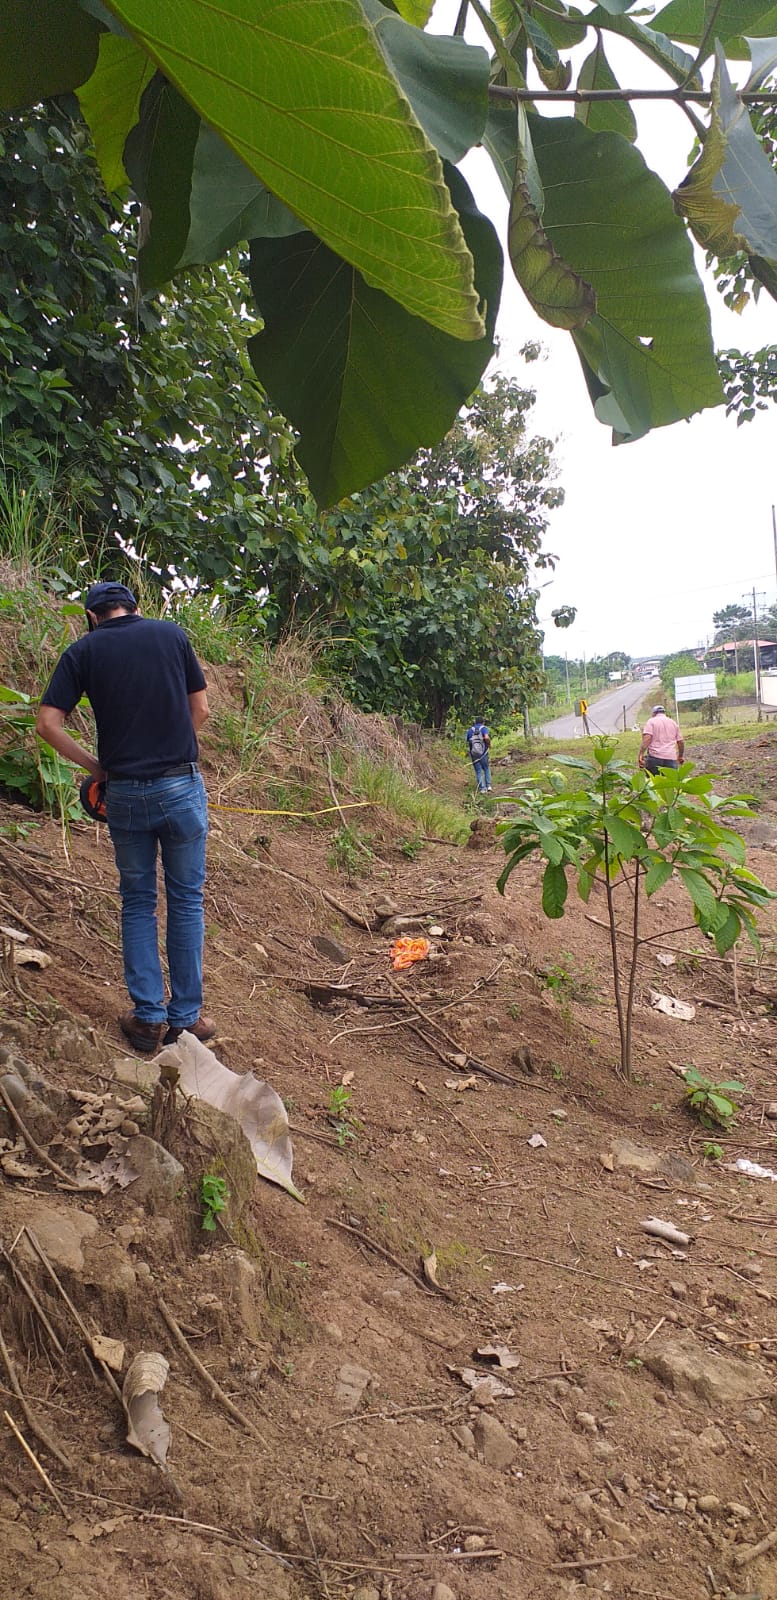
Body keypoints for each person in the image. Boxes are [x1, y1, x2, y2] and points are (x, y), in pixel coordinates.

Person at [36, 580, 215, 1055]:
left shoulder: (83, 650)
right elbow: (200, 708)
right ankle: (186, 1019)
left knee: (138, 901)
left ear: (92, 616)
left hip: (125, 793)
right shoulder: (171, 635)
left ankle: (148, 1018)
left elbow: (47, 724)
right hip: (180, 786)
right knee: (186, 900)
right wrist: (174, 749)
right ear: (134, 608)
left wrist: (97, 769)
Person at [638, 703, 684, 775]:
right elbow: (680, 742)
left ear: (654, 713)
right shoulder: (673, 723)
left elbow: (647, 739)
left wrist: (641, 754)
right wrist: (680, 756)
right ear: (664, 713)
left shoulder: (651, 722)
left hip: (655, 757)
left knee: (653, 780)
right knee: (671, 781)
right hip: (671, 758)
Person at [466, 717, 492, 793]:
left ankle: (482, 788)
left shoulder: (470, 730)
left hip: (474, 753)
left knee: (478, 771)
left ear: (475, 722)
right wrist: (489, 744)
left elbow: (468, 741)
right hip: (483, 753)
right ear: (483, 722)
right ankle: (488, 786)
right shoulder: (484, 728)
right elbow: (486, 737)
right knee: (486, 768)